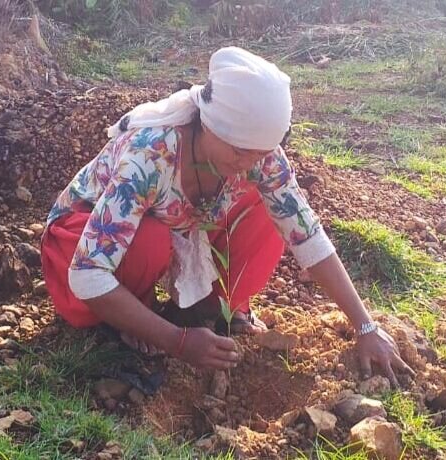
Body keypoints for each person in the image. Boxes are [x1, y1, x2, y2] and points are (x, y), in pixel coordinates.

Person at [41, 47, 415, 386]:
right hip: (80, 245)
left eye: (260, 152)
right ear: (208, 125)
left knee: (268, 206)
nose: (249, 162)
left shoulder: (257, 155)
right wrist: (177, 341)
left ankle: (215, 307)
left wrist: (365, 325)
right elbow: (87, 274)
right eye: (239, 152)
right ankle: (134, 318)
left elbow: (306, 232)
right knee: (150, 240)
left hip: (174, 226)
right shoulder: (151, 154)